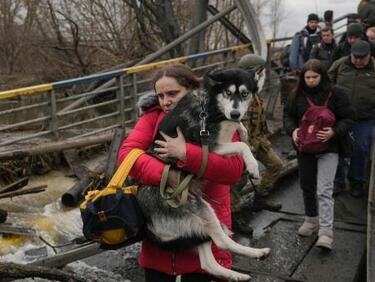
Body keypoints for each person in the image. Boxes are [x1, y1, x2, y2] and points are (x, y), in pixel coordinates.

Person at [117, 64, 245, 281]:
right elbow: (127, 155)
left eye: (173, 94)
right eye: (160, 96)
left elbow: (232, 171)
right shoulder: (152, 118)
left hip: (204, 227)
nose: (166, 101)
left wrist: (187, 154)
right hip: (162, 233)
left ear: (193, 90)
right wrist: (168, 175)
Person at [284, 59, 355, 250]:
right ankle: (310, 220)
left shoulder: (336, 93)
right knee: (307, 185)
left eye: (315, 77)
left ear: (322, 76)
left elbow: (349, 117)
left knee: (324, 189)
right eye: (307, 77)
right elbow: (288, 116)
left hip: (329, 148)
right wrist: (292, 130)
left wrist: (334, 131)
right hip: (305, 147)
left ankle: (326, 231)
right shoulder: (296, 95)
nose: (311, 80)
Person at [237, 54, 283, 212]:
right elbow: (240, 124)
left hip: (258, 139)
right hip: (244, 144)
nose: (262, 75)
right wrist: (246, 147)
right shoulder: (240, 93)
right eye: (260, 72)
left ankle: (260, 197)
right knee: (239, 180)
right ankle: (233, 213)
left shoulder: (253, 89)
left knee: (276, 165)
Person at [328, 40, 375, 197]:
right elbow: (327, 82)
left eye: (363, 58)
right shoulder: (340, 65)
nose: (359, 61)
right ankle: (338, 181)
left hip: (364, 117)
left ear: (369, 56)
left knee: (361, 149)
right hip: (340, 116)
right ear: (351, 55)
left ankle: (356, 181)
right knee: (337, 147)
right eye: (356, 58)